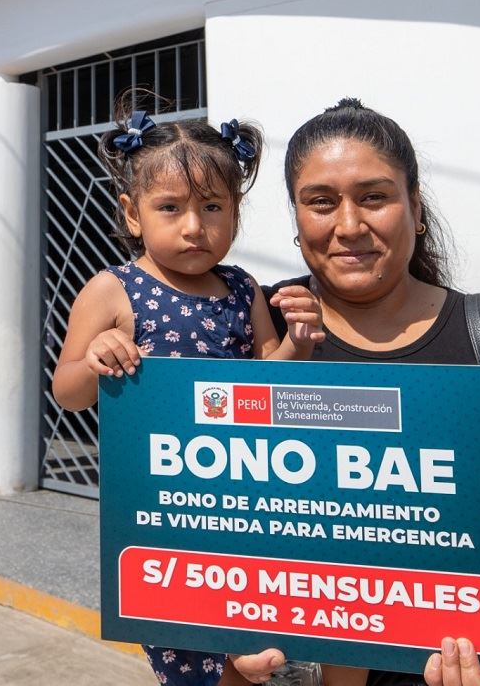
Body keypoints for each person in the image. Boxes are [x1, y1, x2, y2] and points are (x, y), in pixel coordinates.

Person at [262, 100, 480, 686]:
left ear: (417, 208)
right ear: (297, 217)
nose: (349, 225)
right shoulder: (257, 327)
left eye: (374, 197)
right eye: (321, 202)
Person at [49, 109, 323, 686]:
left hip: (241, 484)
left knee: (247, 586)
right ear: (132, 215)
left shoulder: (243, 289)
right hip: (161, 495)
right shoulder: (112, 290)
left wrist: (298, 344)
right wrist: (98, 357)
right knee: (182, 605)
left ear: (236, 214)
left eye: (213, 207)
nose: (194, 227)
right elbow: (67, 392)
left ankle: (243, 650)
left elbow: (270, 379)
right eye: (170, 208)